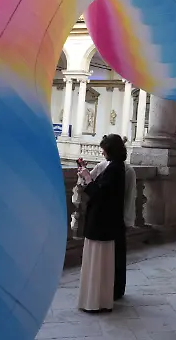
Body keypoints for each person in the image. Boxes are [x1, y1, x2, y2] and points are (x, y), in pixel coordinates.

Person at [76, 134, 132, 312]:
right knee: (102, 264)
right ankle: (100, 299)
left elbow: (100, 195)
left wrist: (87, 177)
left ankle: (94, 301)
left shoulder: (115, 169)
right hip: (105, 225)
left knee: (97, 264)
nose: (102, 151)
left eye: (104, 149)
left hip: (101, 225)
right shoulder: (115, 168)